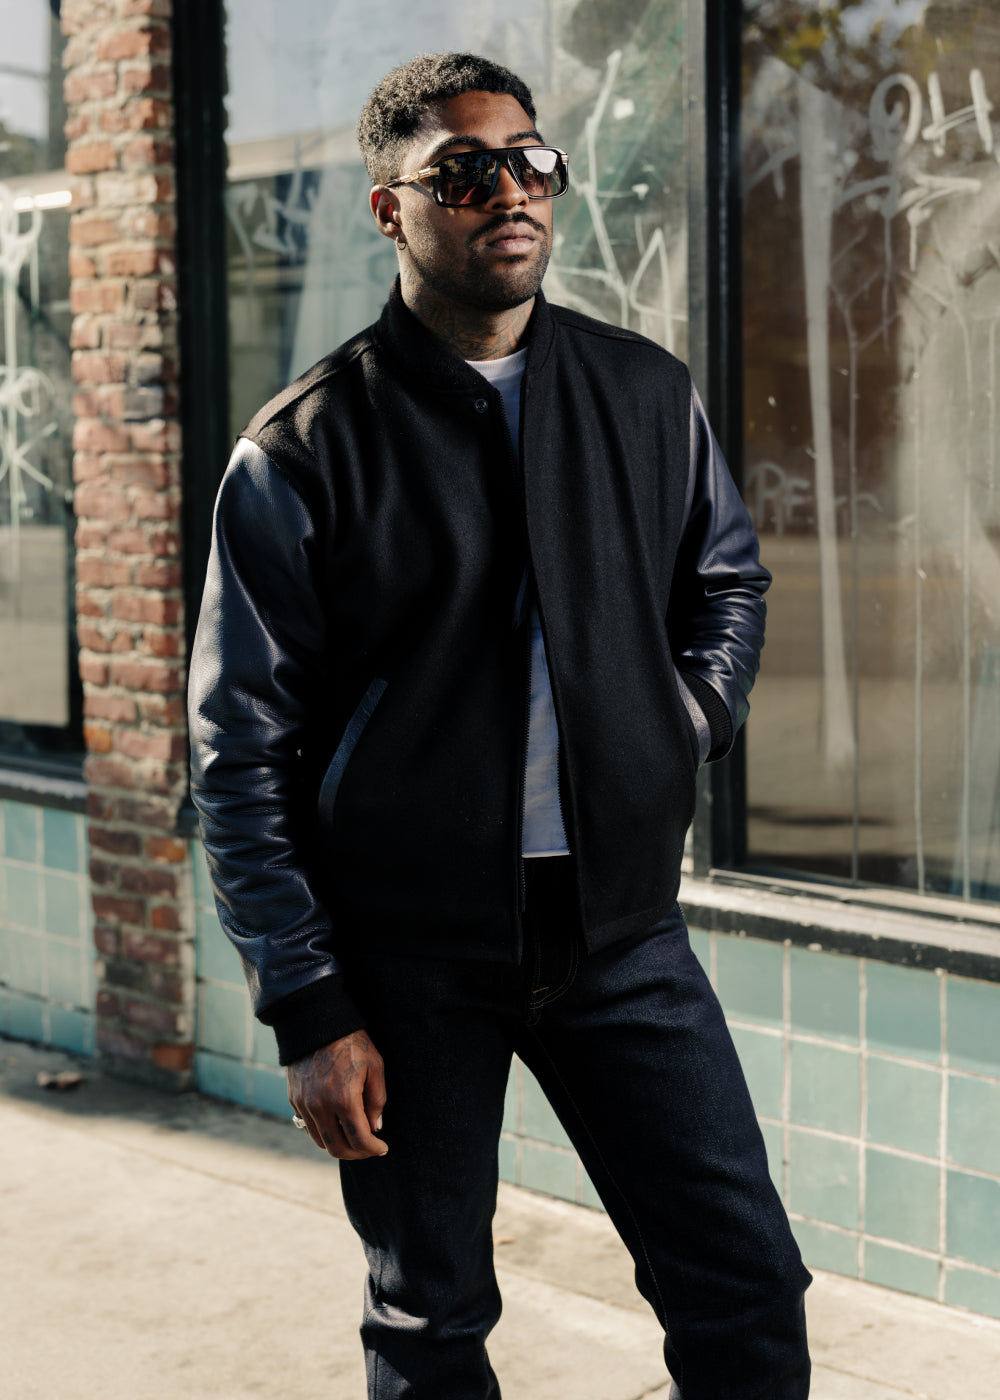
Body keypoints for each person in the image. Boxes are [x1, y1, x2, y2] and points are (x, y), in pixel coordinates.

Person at [189, 51, 811, 1400]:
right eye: (462, 172)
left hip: (622, 937)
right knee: (433, 1321)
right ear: (388, 212)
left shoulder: (644, 394)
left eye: (530, 161)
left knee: (746, 1284)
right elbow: (238, 749)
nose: (508, 192)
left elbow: (728, 580)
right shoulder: (304, 448)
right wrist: (308, 1004)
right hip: (411, 958)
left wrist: (680, 719)